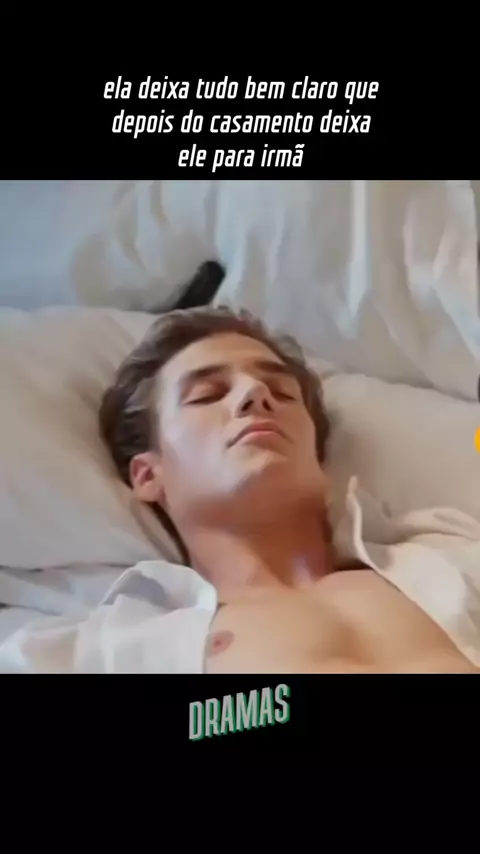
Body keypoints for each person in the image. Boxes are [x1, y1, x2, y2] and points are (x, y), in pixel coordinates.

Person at [93, 304, 479, 675]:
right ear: (148, 476)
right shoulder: (134, 645)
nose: (255, 392)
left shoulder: (445, 556)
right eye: (207, 394)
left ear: (318, 455)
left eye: (283, 392)